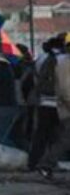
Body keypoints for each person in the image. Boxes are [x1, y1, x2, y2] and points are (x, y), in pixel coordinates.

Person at [37, 32, 70, 179]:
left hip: (62, 105)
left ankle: (46, 163)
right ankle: (46, 163)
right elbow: (64, 89)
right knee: (64, 138)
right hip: (65, 106)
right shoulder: (62, 63)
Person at [30, 35, 65, 170]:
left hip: (43, 101)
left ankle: (34, 162)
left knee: (41, 134)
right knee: (59, 135)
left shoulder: (42, 59)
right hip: (58, 103)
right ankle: (50, 162)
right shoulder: (61, 60)